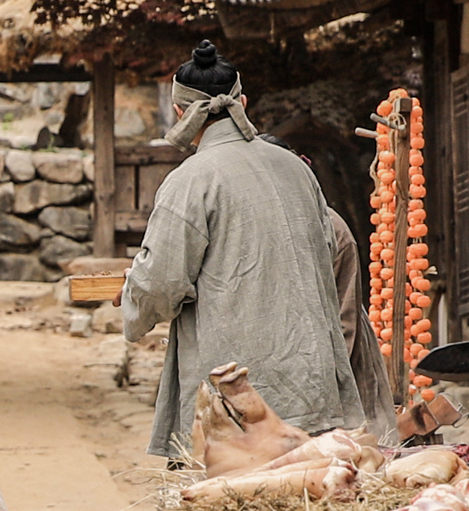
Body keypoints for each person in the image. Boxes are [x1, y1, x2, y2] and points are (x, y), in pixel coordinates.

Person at [124, 41, 377, 461]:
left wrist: (135, 304)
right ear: (242, 102)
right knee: (311, 502)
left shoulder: (190, 179)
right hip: (309, 380)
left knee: (231, 502)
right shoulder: (295, 167)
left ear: (180, 111)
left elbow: (162, 282)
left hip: (234, 387)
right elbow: (324, 248)